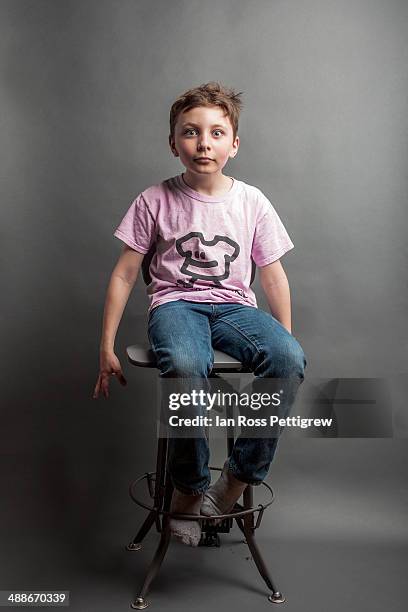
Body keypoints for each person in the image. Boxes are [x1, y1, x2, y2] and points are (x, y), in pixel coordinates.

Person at [93, 81, 307, 547]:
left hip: (233, 308)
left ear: (234, 143)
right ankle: (189, 489)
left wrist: (281, 338)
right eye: (191, 132)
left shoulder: (251, 201)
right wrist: (105, 345)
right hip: (176, 305)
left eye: (215, 133)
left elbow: (273, 277)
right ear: (174, 143)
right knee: (187, 365)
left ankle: (234, 479)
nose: (203, 143)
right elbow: (125, 274)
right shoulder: (154, 200)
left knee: (289, 358)